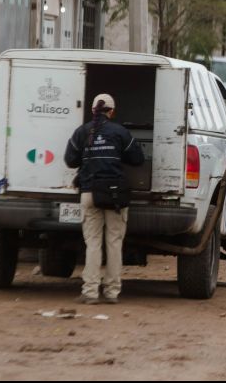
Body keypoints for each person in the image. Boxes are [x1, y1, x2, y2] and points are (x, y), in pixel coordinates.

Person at [64, 94, 145, 305]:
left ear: (93, 110)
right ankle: (112, 292)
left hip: (90, 193)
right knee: (114, 243)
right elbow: (138, 158)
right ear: (112, 112)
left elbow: (70, 160)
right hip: (115, 195)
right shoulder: (120, 132)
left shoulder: (82, 132)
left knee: (93, 243)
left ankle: (90, 292)